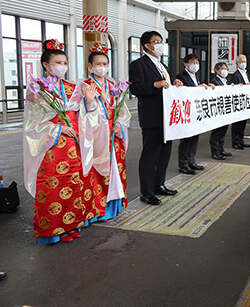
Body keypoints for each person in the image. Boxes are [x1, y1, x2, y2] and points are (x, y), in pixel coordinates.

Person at [23, 39, 96, 243]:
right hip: (52, 144)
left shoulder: (73, 87)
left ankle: (72, 224)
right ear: (46, 65)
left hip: (73, 143)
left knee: (73, 183)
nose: (62, 66)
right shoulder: (36, 88)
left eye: (65, 63)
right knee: (53, 186)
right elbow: (33, 121)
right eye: (58, 62)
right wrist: (58, 128)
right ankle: (54, 230)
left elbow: (86, 114)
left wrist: (89, 102)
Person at [129, 31, 180, 206]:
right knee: (150, 155)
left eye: (161, 41)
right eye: (156, 41)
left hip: (167, 117)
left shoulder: (162, 65)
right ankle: (147, 192)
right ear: (147, 46)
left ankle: (159, 184)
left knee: (164, 153)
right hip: (152, 116)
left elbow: (167, 87)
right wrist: (154, 85)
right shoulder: (139, 64)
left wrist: (175, 84)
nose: (160, 44)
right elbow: (135, 88)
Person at [80, 46, 130, 220]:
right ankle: (98, 210)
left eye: (105, 63)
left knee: (116, 169)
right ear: (90, 66)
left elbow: (121, 109)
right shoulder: (85, 85)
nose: (102, 67)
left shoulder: (111, 84)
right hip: (98, 134)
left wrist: (119, 123)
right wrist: (90, 100)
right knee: (98, 169)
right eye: (98, 64)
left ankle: (114, 205)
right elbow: (83, 113)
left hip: (113, 132)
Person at [173, 54, 211, 174]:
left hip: (196, 112)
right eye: (192, 62)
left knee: (194, 137)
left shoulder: (195, 76)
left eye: (197, 62)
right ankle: (183, 164)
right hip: (186, 112)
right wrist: (197, 88)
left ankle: (191, 161)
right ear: (186, 64)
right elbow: (183, 92)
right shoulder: (181, 76)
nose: (195, 64)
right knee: (186, 138)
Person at [209, 62, 233, 160]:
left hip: (225, 110)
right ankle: (215, 151)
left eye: (226, 69)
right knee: (216, 132)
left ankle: (221, 148)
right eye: (222, 68)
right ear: (217, 70)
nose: (225, 71)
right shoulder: (214, 82)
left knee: (223, 131)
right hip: (218, 110)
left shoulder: (226, 82)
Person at [229, 54, 250, 150]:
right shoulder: (235, 75)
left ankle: (241, 140)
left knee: (243, 123)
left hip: (245, 101)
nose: (243, 63)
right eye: (241, 62)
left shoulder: (246, 73)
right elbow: (235, 87)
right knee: (236, 123)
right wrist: (244, 85)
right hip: (238, 102)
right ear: (237, 64)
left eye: (245, 61)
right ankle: (235, 142)